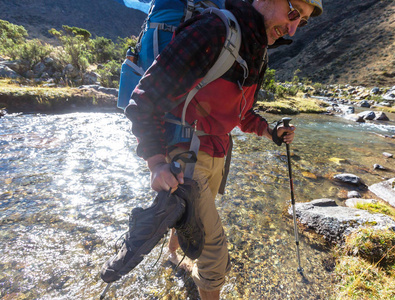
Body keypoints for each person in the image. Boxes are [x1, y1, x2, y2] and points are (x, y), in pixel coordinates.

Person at [125, 0, 323, 299]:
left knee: (193, 218)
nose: (293, 28)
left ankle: (172, 253)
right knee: (214, 253)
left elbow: (241, 114)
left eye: (303, 22)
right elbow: (144, 100)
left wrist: (270, 131)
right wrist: (156, 162)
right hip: (186, 154)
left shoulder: (256, 48)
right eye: (293, 13)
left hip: (218, 151)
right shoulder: (214, 32)